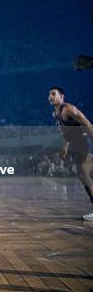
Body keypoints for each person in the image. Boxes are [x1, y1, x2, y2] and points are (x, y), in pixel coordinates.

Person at [49, 87, 93, 220]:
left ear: (62, 96)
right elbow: (67, 134)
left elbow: (86, 122)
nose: (50, 96)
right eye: (49, 94)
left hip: (84, 141)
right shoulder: (55, 114)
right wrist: (65, 148)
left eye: (53, 94)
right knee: (84, 174)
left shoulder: (68, 109)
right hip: (76, 144)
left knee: (83, 173)